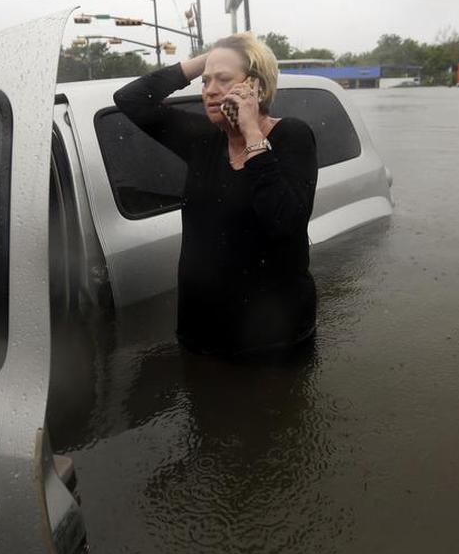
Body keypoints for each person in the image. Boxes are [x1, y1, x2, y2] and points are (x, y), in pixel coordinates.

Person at [113, 33, 318, 356]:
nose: (208, 90)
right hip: (201, 330)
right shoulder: (203, 140)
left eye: (222, 79)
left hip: (272, 337)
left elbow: (285, 221)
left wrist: (251, 131)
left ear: (257, 86)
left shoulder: (291, 135)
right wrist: (209, 59)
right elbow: (131, 99)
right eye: (205, 81)